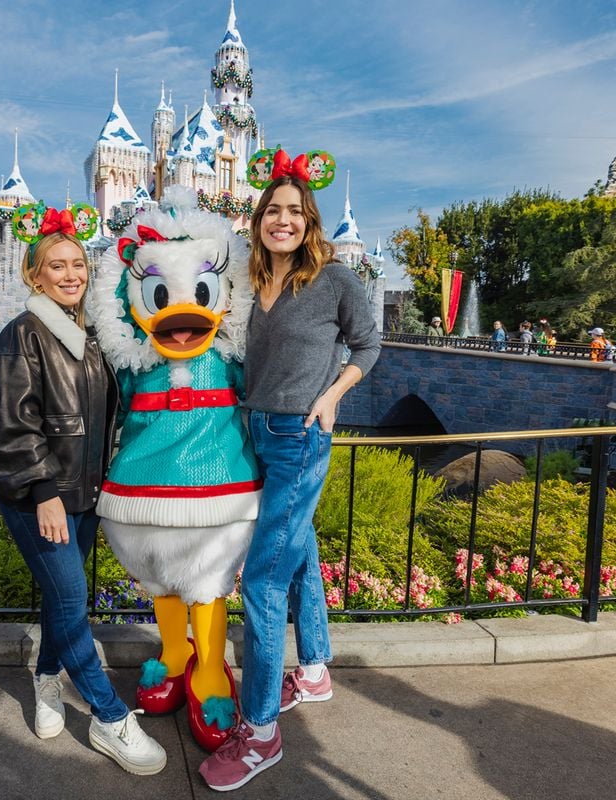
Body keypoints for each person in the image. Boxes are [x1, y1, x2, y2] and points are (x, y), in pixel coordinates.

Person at [199, 151, 380, 792]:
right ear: (258, 219)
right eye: (273, 210)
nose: (283, 220)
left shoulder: (332, 279)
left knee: (264, 579)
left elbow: (368, 343)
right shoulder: (252, 284)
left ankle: (262, 733)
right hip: (258, 432)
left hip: (302, 435)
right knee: (298, 548)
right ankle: (316, 668)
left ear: (310, 222)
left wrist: (332, 397)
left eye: (295, 212)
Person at [0, 206, 167, 776]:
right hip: (41, 499)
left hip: (83, 493)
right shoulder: (23, 335)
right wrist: (43, 492)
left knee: (62, 600)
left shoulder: (86, 337)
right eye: (56, 266)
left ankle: (44, 680)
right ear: (34, 276)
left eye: (78, 265)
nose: (70, 274)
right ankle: (110, 720)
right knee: (70, 603)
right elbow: (13, 426)